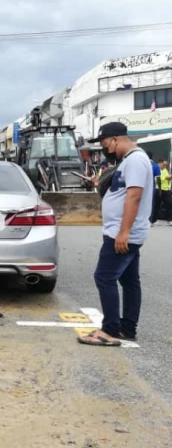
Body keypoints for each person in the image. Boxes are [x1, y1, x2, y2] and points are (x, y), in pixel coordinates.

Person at [79, 122, 154, 347]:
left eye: (105, 144)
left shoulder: (136, 160)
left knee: (104, 277)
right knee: (129, 281)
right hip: (122, 231)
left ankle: (110, 330)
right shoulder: (128, 161)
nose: (105, 150)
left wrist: (124, 232)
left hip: (122, 233)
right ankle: (127, 328)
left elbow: (134, 196)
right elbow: (120, 191)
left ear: (116, 139)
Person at [148, 152, 161, 224]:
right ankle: (149, 220)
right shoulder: (155, 166)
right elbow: (158, 179)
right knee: (151, 204)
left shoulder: (142, 164)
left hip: (141, 188)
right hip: (151, 188)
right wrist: (159, 189)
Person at [159, 159, 172, 224]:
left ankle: (169, 219)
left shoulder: (165, 170)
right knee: (156, 205)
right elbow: (158, 179)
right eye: (164, 165)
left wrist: (170, 178)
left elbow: (168, 179)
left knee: (169, 204)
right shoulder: (157, 170)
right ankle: (152, 220)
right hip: (158, 189)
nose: (165, 166)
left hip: (166, 190)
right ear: (160, 163)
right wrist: (166, 178)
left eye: (166, 165)